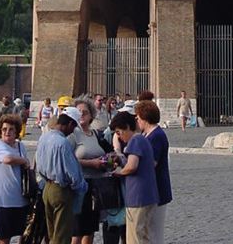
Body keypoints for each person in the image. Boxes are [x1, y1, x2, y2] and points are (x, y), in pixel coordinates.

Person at [36, 106, 88, 244]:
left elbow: (38, 165)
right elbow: (73, 173)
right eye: (73, 127)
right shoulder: (63, 143)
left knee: (51, 233)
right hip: (61, 191)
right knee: (62, 236)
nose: (72, 131)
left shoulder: (44, 138)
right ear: (70, 124)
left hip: (47, 187)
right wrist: (81, 187)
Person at [110, 111, 158, 244]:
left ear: (127, 127)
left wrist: (119, 172)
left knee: (134, 237)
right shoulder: (143, 139)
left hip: (138, 196)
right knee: (145, 236)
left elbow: (132, 166)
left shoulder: (135, 141)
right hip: (149, 195)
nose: (119, 137)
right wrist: (121, 161)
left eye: (119, 132)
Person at [70, 95, 112, 244]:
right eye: (79, 112)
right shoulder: (72, 135)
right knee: (77, 231)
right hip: (79, 188)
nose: (82, 115)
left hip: (96, 188)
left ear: (91, 115)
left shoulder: (95, 134)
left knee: (90, 230)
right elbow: (68, 160)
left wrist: (108, 161)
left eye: (85, 112)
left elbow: (108, 152)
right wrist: (91, 163)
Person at [0, 113, 30, 244]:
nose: (7, 132)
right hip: (2, 201)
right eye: (4, 129)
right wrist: (23, 161)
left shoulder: (20, 146)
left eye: (11, 129)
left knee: (25, 235)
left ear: (16, 131)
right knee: (3, 238)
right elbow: (7, 159)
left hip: (21, 199)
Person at [136, 101, 172, 244]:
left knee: (154, 234)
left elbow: (151, 163)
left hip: (157, 190)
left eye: (138, 118)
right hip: (151, 190)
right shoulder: (147, 135)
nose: (137, 121)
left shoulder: (156, 136)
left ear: (145, 118)